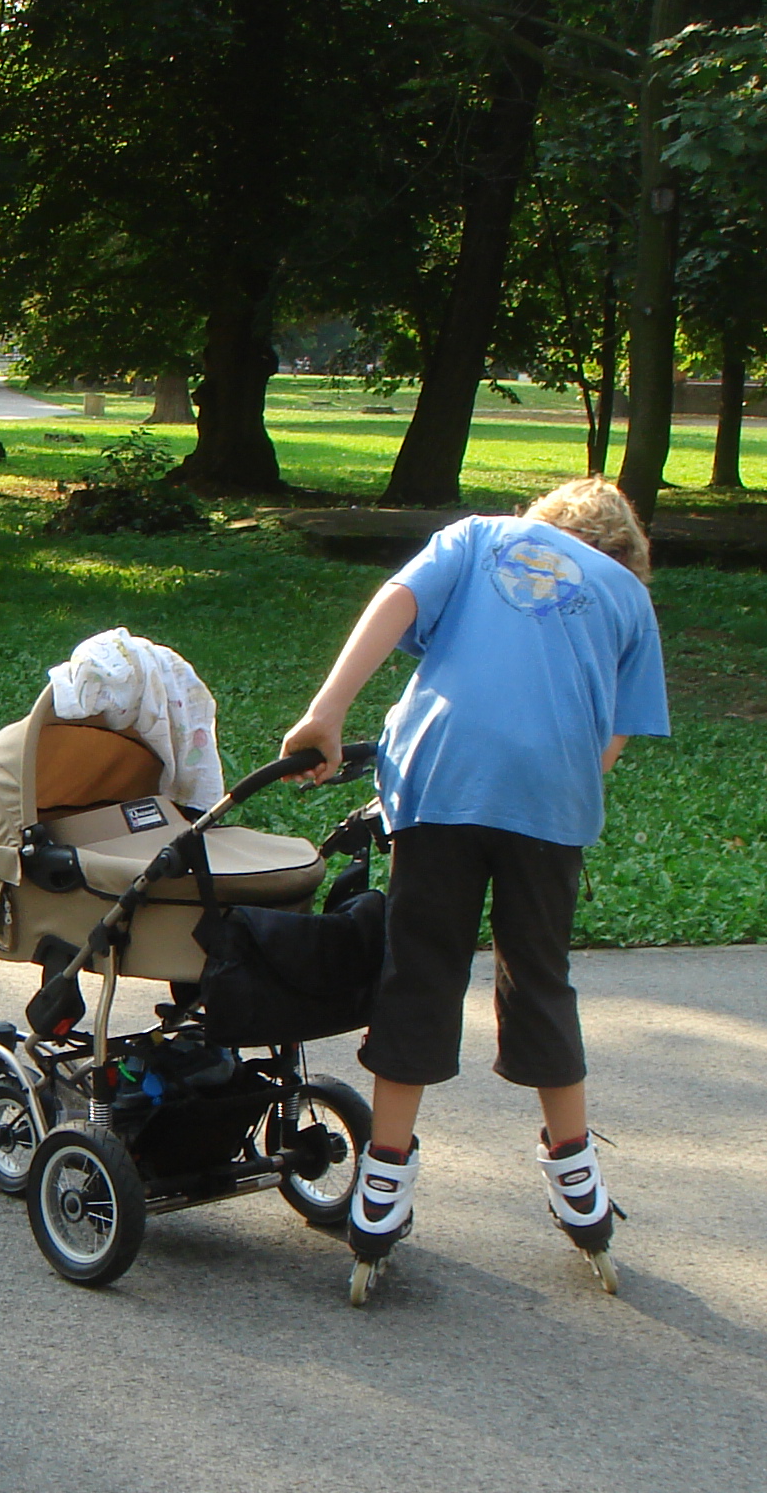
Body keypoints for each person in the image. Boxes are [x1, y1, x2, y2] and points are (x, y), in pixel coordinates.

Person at [278, 475, 669, 1299]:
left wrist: (327, 712)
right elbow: (613, 736)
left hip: (443, 779)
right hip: (552, 800)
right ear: (624, 552)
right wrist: (548, 781)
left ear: (547, 522)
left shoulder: (481, 536)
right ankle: (577, 1177)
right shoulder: (630, 598)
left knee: (420, 967)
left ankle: (382, 1179)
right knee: (539, 976)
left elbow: (397, 603)